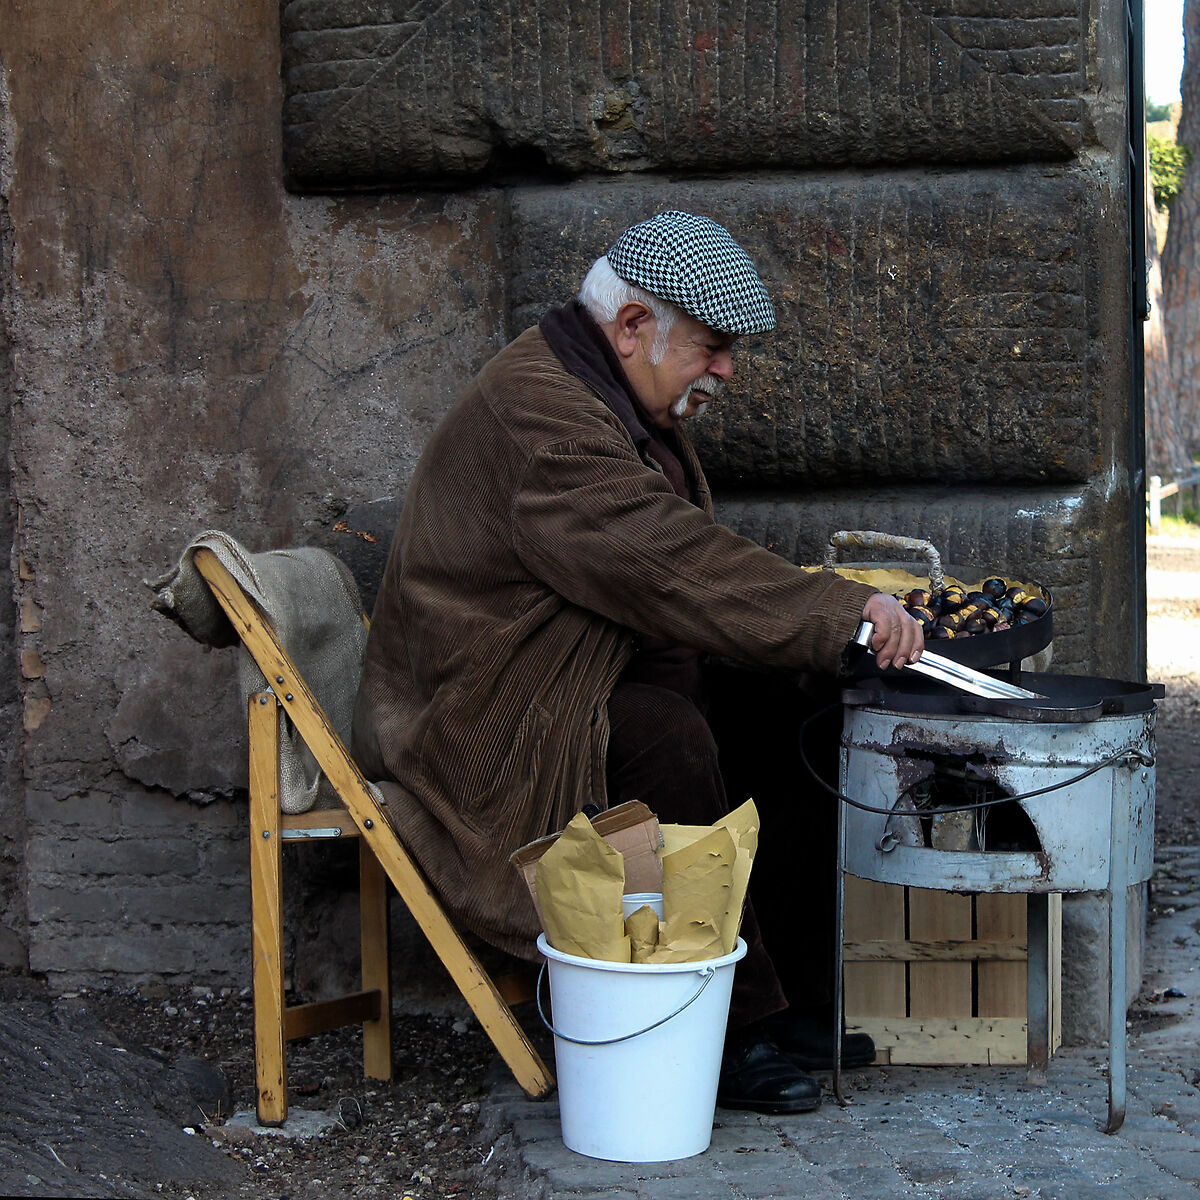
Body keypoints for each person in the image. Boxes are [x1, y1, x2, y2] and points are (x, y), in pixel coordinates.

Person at [352, 210, 923, 1113]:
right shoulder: (540, 412)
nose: (727, 368)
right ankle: (719, 1030)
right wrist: (836, 605)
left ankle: (791, 1003)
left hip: (563, 677)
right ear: (630, 328)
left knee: (798, 706)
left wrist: (818, 637)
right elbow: (662, 557)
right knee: (665, 737)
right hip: (482, 720)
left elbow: (668, 569)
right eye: (712, 345)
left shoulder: (603, 388)